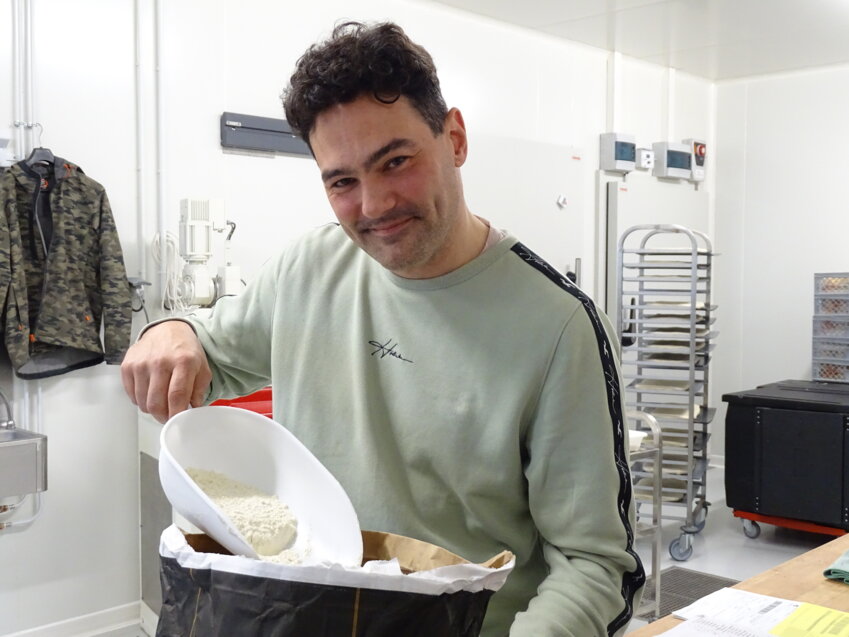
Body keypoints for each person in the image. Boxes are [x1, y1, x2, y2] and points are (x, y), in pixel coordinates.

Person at [121, 21, 645, 636]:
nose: (372, 206)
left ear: (454, 138)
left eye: (395, 162)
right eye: (342, 182)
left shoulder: (561, 329)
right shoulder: (308, 269)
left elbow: (593, 565)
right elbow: (208, 355)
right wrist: (172, 330)